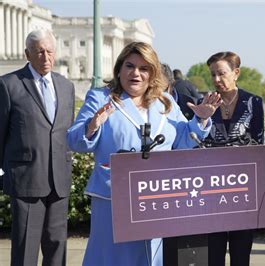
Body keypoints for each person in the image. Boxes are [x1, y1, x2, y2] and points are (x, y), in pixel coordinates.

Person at [67, 42, 221, 266]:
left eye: (144, 68)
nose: (136, 73)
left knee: (150, 257)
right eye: (130, 66)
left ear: (153, 73)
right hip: (113, 198)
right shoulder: (100, 98)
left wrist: (201, 119)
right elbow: (74, 140)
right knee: (113, 258)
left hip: (155, 197)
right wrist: (92, 126)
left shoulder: (165, 102)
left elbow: (183, 140)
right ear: (119, 69)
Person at [0, 29, 75, 266]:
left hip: (59, 181)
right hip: (26, 181)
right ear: (27, 54)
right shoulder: (8, 85)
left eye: (50, 51)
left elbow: (66, 131)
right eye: (39, 52)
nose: (45, 57)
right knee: (25, 251)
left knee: (57, 247)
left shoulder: (66, 86)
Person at [205, 51, 264, 266]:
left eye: (221, 73)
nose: (216, 79)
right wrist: (202, 115)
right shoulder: (205, 103)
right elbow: (196, 144)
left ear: (236, 72)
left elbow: (259, 144)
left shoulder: (253, 102)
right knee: (213, 254)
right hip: (210, 190)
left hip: (242, 190)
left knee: (241, 254)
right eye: (212, 75)